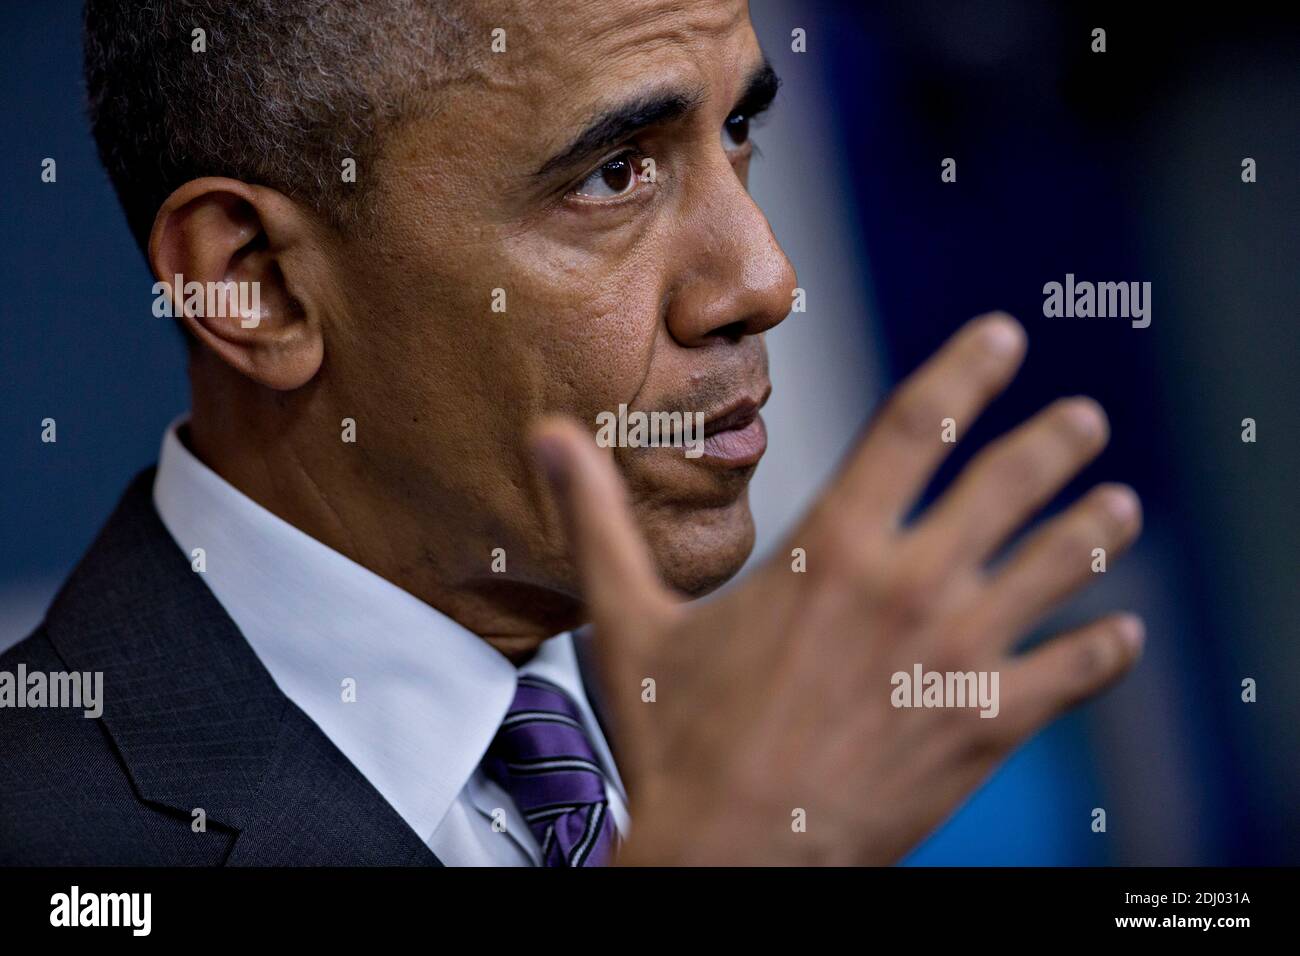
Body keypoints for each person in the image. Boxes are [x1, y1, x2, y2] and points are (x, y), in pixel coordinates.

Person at [0, 0, 1142, 865]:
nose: (763, 277)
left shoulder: (754, 720)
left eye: (735, 125)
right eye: (613, 173)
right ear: (256, 286)